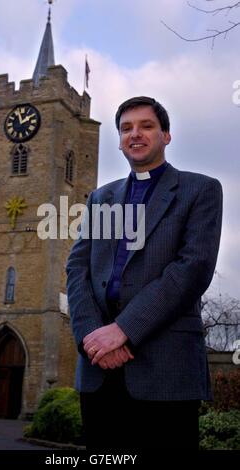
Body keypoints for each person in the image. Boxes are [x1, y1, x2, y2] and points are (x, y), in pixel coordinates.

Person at [66, 96, 223, 451]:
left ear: (166, 135)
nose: (135, 134)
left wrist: (123, 331)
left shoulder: (201, 190)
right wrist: (95, 339)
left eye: (146, 126)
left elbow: (192, 268)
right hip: (99, 371)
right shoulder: (100, 199)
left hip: (165, 371)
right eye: (126, 128)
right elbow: (78, 268)